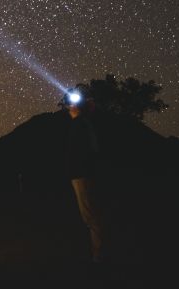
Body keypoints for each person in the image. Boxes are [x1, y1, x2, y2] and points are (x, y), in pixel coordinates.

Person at [63, 88, 108, 263]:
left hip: (83, 174)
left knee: (91, 216)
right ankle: (96, 253)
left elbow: (86, 150)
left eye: (72, 104)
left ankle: (100, 256)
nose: (69, 107)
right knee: (90, 215)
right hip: (81, 173)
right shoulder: (81, 124)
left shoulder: (81, 124)